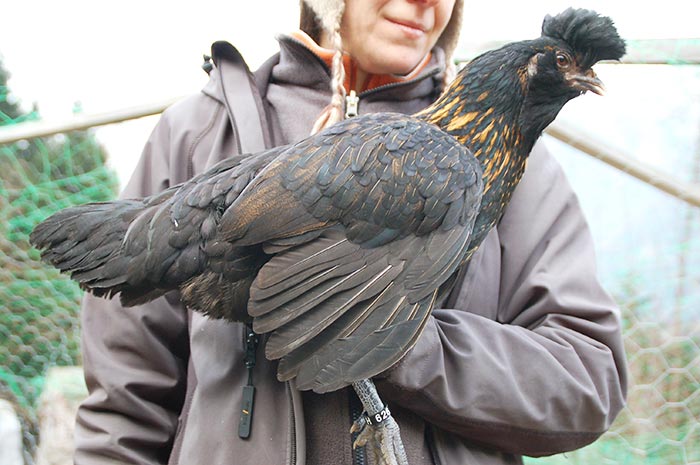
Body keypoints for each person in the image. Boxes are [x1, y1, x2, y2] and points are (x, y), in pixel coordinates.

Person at [74, 1, 628, 464]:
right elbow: (124, 400)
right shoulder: (196, 132)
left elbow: (586, 382)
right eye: (562, 62)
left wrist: (408, 347)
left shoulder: (521, 175)